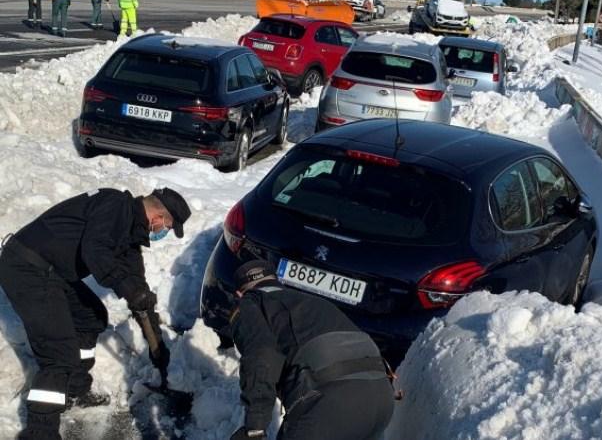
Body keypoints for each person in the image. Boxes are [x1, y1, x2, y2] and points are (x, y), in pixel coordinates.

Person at [0, 187, 191, 440]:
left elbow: (138, 290)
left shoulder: (129, 234)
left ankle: (72, 388)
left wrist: (158, 348)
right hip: (26, 266)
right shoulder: (115, 206)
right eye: (168, 226)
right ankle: (40, 432)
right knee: (59, 353)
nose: (163, 232)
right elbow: (95, 251)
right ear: (158, 217)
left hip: (52, 272)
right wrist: (127, 289)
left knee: (91, 317)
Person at [228, 261, 395, 440]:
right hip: (381, 399)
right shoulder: (311, 301)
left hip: (331, 404)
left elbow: (261, 354)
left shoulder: (249, 302)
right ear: (276, 282)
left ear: (239, 293)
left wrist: (255, 427)